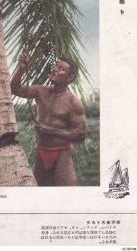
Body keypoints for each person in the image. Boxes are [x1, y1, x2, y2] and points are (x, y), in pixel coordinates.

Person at [10, 49, 86, 186]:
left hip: (62, 153)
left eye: (61, 68)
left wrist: (50, 130)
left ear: (70, 78)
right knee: (42, 193)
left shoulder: (73, 102)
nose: (55, 69)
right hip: (41, 152)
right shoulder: (41, 91)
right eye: (56, 66)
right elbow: (14, 89)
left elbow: (80, 134)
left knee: (68, 194)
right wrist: (21, 69)